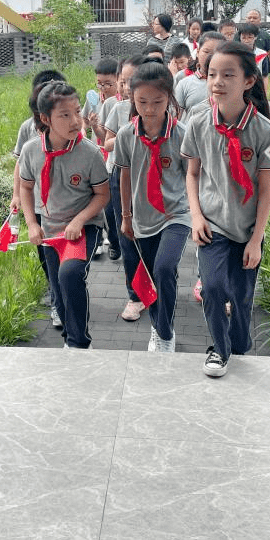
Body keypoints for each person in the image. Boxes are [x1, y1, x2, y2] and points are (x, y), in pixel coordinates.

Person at [182, 42, 270, 377]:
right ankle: (220, 350)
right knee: (212, 288)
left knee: (241, 297)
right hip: (212, 226)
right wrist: (196, 216)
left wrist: (257, 239)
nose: (218, 82)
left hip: (247, 229)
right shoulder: (198, 123)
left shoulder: (265, 130)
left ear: (249, 81)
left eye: (228, 75)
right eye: (212, 74)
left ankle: (239, 344)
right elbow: (192, 173)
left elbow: (267, 189)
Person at [18, 81, 110, 349]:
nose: (75, 121)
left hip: (84, 228)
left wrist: (80, 220)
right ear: (45, 119)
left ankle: (79, 343)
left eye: (77, 112)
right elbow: (26, 187)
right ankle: (70, 332)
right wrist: (32, 224)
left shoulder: (90, 153)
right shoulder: (31, 150)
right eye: (65, 115)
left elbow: (103, 195)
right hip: (50, 229)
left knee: (70, 275)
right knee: (58, 290)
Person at [113, 62, 190, 352]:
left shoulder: (182, 133)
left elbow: (191, 176)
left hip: (176, 214)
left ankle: (165, 333)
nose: (149, 108)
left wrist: (199, 215)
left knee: (164, 267)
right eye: (142, 101)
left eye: (157, 102)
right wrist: (125, 216)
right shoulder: (125, 135)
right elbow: (125, 176)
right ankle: (158, 326)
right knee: (154, 277)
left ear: (169, 98)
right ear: (132, 98)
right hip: (143, 218)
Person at [11, 69, 67, 329]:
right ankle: (56, 296)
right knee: (46, 254)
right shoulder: (27, 128)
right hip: (39, 203)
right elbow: (20, 164)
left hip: (67, 203)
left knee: (67, 256)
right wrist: (16, 195)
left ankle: (64, 292)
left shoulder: (69, 123)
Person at [104, 55, 148, 321]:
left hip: (152, 175)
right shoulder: (118, 109)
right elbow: (107, 142)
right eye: (126, 81)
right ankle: (135, 296)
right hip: (121, 174)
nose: (129, 87)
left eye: (135, 81)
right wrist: (125, 140)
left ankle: (155, 288)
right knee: (127, 235)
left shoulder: (161, 107)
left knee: (153, 239)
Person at [83, 58, 120, 257]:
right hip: (96, 156)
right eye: (100, 83)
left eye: (108, 83)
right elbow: (84, 123)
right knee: (98, 199)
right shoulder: (93, 98)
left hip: (112, 156)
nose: (103, 87)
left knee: (111, 202)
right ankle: (101, 239)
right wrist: (87, 126)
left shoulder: (120, 103)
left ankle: (114, 238)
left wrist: (97, 128)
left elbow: (106, 137)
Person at [174, 31, 225, 122]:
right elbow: (176, 118)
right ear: (198, 52)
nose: (211, 56)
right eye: (206, 52)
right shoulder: (184, 82)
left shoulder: (230, 83)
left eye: (217, 52)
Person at [237, 22, 270, 93]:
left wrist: (265, 94)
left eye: (250, 37)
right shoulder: (235, 54)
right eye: (243, 37)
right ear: (240, 37)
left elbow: (265, 76)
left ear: (255, 37)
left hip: (256, 89)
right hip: (239, 90)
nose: (246, 40)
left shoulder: (262, 54)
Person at [246, 9, 270, 79]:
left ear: (260, 20)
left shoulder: (265, 35)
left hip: (262, 69)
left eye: (255, 18)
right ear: (246, 19)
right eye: (249, 18)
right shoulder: (239, 34)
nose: (251, 20)